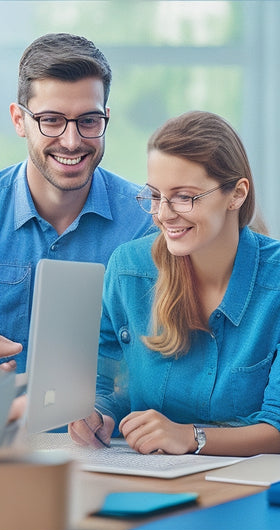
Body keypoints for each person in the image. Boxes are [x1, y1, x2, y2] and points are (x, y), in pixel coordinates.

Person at [69, 110, 280, 456]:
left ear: (236, 194)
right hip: (150, 475)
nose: (163, 214)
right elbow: (110, 381)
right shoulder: (128, 269)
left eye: (183, 196)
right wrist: (99, 414)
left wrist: (191, 437)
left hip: (255, 483)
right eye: (155, 195)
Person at [1, 33, 154, 373]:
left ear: (106, 118)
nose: (72, 142)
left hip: (104, 424)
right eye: (51, 120)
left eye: (89, 121)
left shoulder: (148, 223)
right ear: (19, 120)